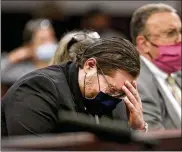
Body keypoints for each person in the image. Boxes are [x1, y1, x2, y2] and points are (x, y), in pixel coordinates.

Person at [1, 37, 148, 136]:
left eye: (120, 93)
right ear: (90, 65)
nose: (114, 98)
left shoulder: (116, 100)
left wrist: (136, 130)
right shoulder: (38, 89)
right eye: (111, 89)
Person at [130, 3, 181, 130]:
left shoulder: (177, 73)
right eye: (170, 33)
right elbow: (157, 140)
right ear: (144, 44)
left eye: (180, 31)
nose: (179, 39)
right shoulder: (135, 83)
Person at [1, 18, 57, 96]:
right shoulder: (23, 72)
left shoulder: (60, 68)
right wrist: (14, 56)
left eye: (51, 37)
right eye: (42, 40)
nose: (49, 43)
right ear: (30, 45)